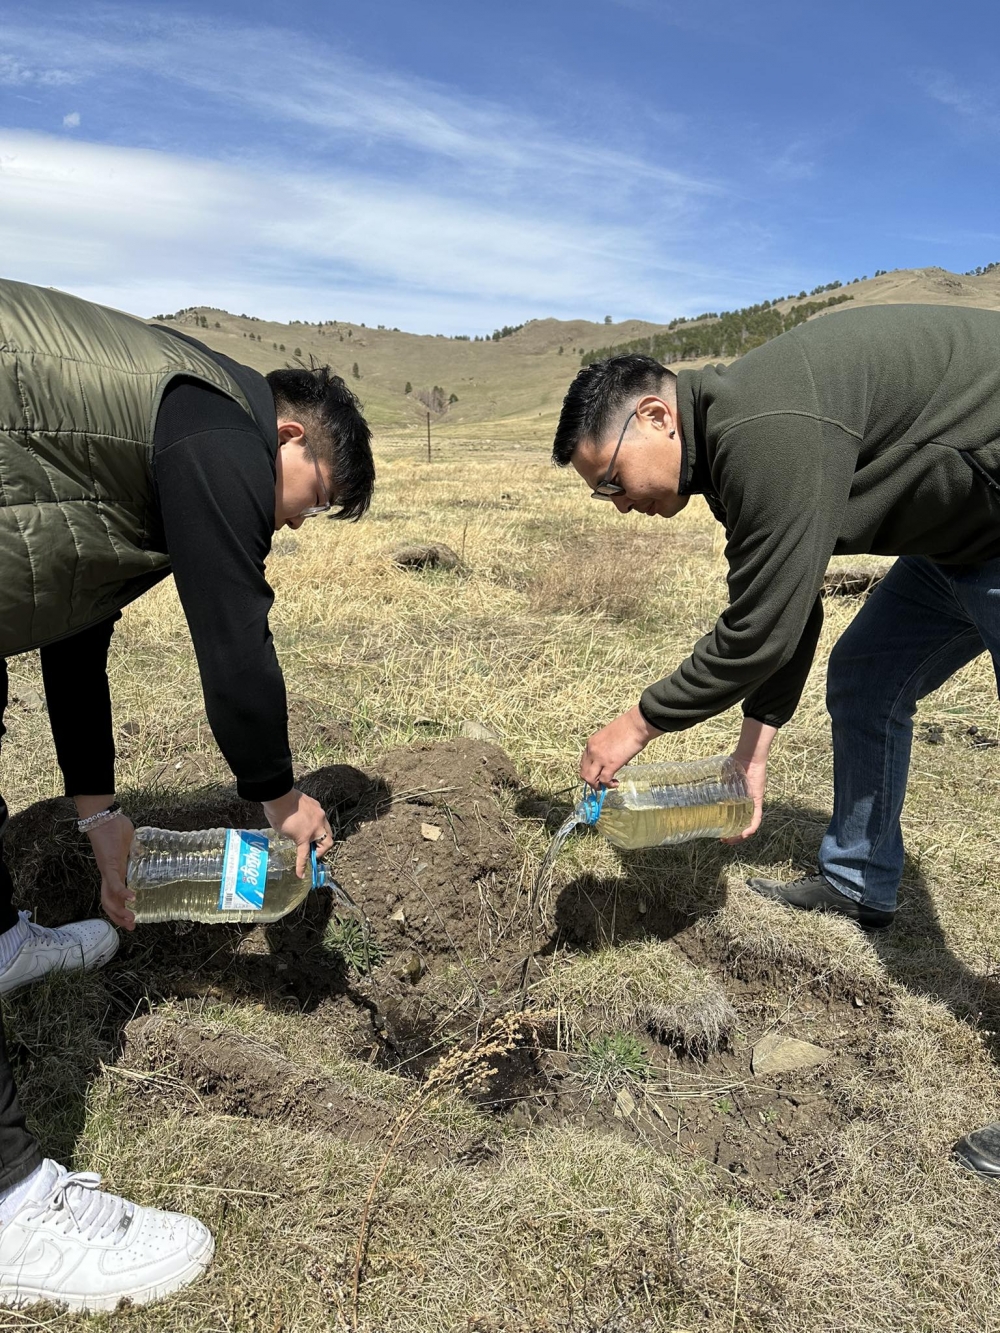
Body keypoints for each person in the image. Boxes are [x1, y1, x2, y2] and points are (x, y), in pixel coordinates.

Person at [551, 302, 1000, 1177]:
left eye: (609, 479)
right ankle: (857, 880)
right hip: (962, 539)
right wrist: (752, 753)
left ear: (655, 416)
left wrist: (638, 721)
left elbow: (755, 631)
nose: (616, 505)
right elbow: (785, 604)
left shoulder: (766, 428)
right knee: (868, 675)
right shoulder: (732, 444)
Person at [0, 277, 375, 1310]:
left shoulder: (141, 442)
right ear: (289, 434)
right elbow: (233, 633)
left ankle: (2, 939)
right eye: (313, 495)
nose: (294, 523)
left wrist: (102, 820)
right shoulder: (218, 426)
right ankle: (7, 1208)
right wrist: (275, 793)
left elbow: (71, 627)